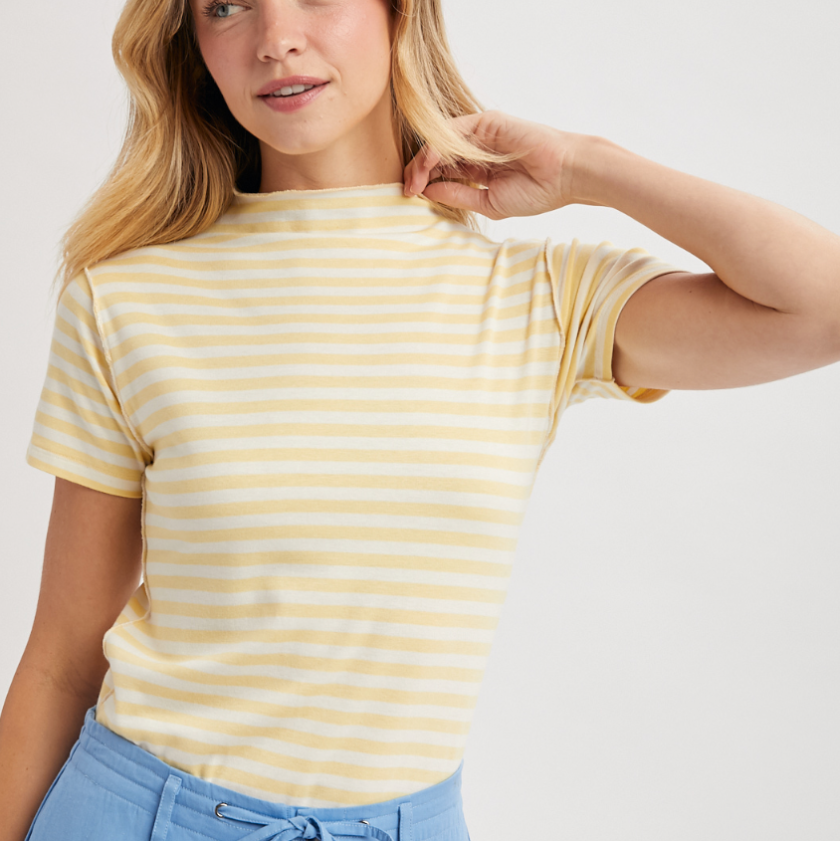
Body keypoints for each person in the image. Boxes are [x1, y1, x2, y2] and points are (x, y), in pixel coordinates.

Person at [3, 0, 840, 839]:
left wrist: (591, 165)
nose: (276, 38)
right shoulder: (126, 303)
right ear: (194, 45)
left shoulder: (538, 296)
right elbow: (62, 655)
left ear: (401, 12)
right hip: (141, 812)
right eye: (227, 7)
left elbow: (821, 309)